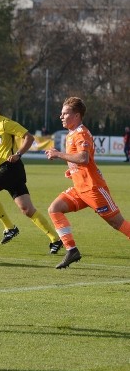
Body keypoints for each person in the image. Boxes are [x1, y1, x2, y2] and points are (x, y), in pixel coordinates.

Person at [45, 97, 130, 269]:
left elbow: (84, 158)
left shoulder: (81, 133)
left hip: (93, 188)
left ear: (76, 116)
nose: (61, 116)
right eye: (61, 113)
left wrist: (58, 154)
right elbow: (79, 162)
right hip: (80, 188)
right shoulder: (71, 135)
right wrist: (72, 171)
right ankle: (72, 250)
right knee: (54, 209)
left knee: (117, 223)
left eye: (65, 113)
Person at [0, 94, 62, 253]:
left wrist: (18, 154)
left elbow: (29, 137)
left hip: (12, 168)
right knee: (27, 210)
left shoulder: (5, 123)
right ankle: (55, 239)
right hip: (7, 170)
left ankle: (9, 228)